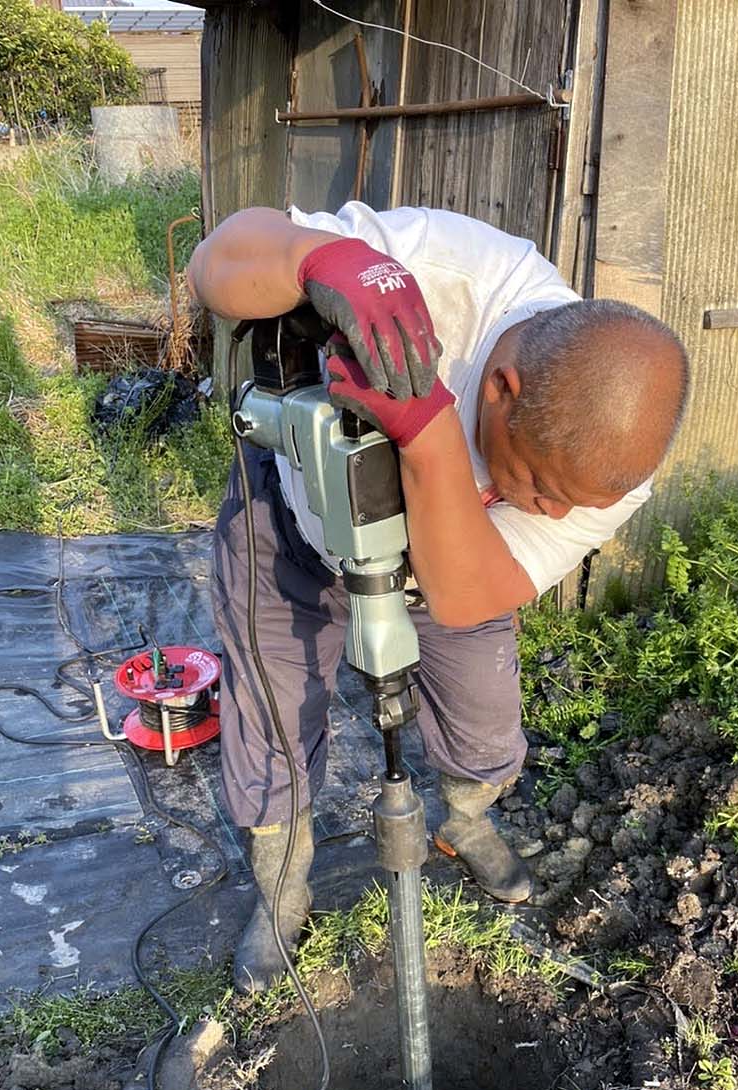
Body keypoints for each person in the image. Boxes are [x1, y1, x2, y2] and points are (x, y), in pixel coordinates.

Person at [188, 201, 689, 994]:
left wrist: (427, 433)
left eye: (571, 504)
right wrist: (316, 261)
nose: (554, 515)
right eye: (538, 486)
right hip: (292, 525)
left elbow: (466, 595)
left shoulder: (609, 463)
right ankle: (284, 893)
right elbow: (214, 263)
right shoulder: (435, 270)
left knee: (487, 724)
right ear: (499, 389)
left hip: (451, 574)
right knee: (273, 729)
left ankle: (467, 819)